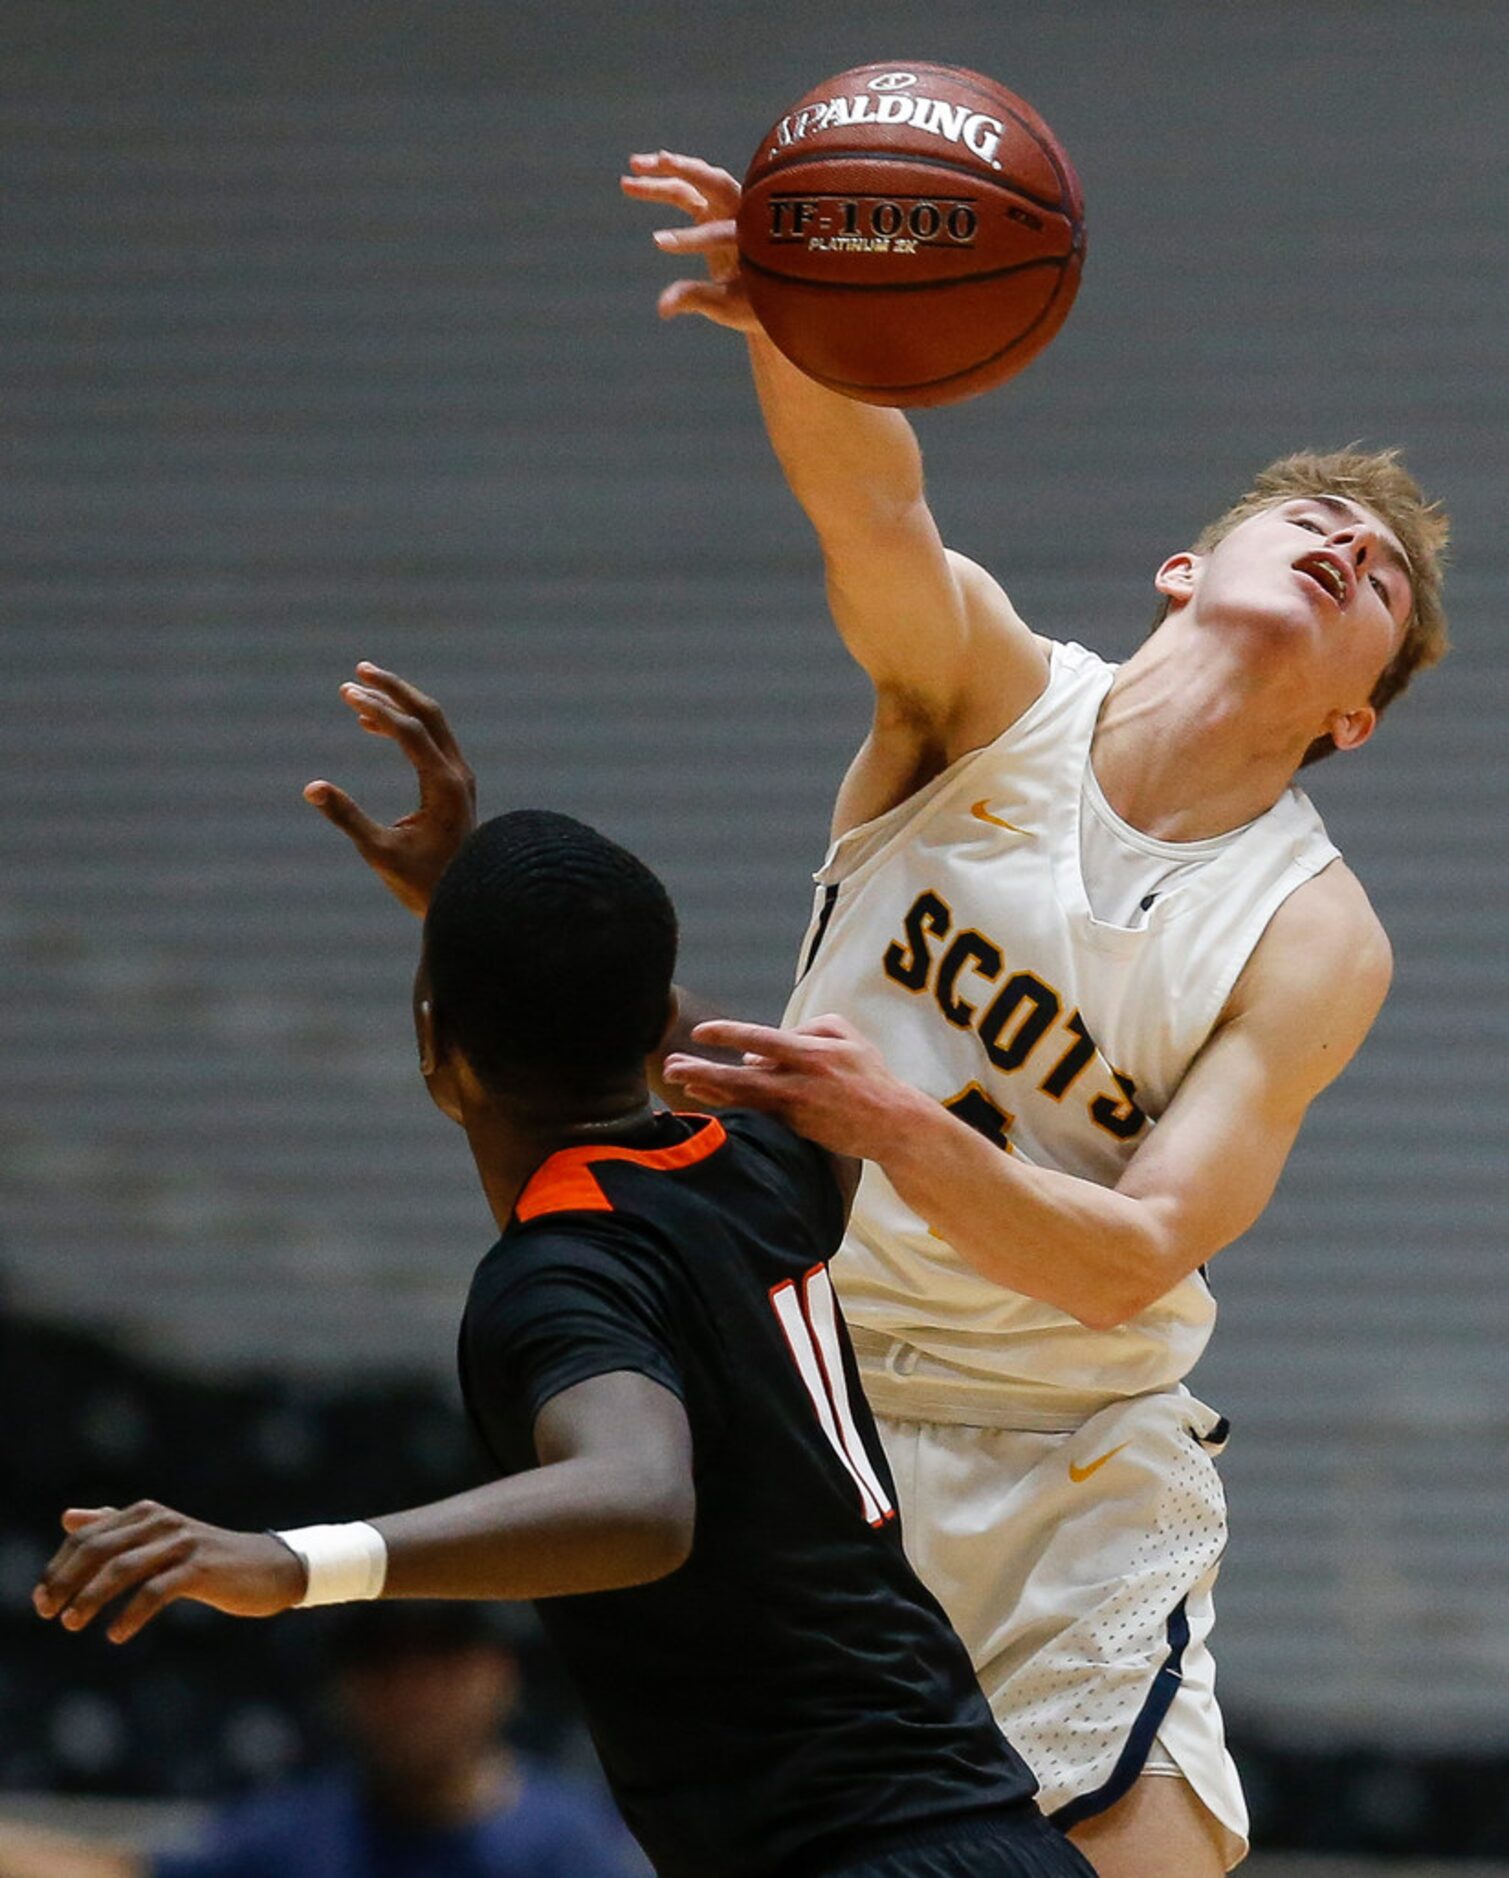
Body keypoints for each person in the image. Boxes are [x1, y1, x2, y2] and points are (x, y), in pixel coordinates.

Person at [619, 150, 1452, 1878]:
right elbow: (873, 512)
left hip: (1064, 1445)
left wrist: (897, 1127)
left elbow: (1129, 1253)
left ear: (1354, 718)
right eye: (1310, 519)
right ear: (1178, 564)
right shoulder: (983, 695)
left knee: (1147, 1860)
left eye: (1375, 577)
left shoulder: (1309, 931)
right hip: (814, 1403)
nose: (1343, 540)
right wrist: (801, 321)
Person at [34, 691, 1097, 1878]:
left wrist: (292, 1565)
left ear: (438, 1052)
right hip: (998, 1842)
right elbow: (674, 1026)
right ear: (653, 1025)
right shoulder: (773, 1154)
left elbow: (638, 1503)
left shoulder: (557, 1273)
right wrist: (477, 907)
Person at [0, 1604, 643, 1878]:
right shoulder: (295, 1837)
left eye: (440, 1666)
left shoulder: (576, 1845)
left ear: (499, 1676)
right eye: (385, 1668)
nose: (414, 1694)